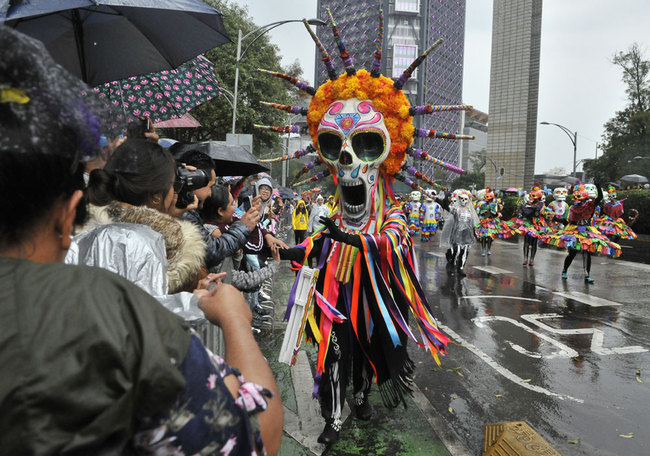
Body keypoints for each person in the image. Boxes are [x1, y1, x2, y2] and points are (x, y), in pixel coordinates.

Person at [0, 26, 282, 455]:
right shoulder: (115, 319)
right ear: (66, 214)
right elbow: (253, 438)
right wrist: (236, 322)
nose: (186, 199)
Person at [539, 184, 621, 282]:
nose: (577, 200)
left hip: (587, 231)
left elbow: (600, 197)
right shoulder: (572, 208)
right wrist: (556, 218)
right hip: (574, 231)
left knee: (587, 253)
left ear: (584, 198)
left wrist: (598, 186)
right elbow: (566, 221)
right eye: (576, 198)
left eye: (579, 198)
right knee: (572, 253)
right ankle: (565, 270)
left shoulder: (590, 206)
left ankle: (587, 275)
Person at [437, 189, 480, 275]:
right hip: (457, 234)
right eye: (462, 199)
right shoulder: (456, 210)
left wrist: (475, 234)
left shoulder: (470, 211)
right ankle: (452, 266)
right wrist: (446, 197)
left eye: (465, 199)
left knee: (464, 253)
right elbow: (446, 207)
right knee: (457, 251)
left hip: (467, 235)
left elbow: (472, 224)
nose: (463, 201)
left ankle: (460, 268)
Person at [510, 184, 550, 266]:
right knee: (526, 242)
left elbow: (539, 209)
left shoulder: (541, 204)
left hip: (537, 225)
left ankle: (531, 260)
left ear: (539, 196)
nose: (531, 197)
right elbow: (525, 212)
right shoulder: (527, 204)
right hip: (528, 224)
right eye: (531, 195)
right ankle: (525, 259)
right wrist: (522, 209)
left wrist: (530, 208)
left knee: (534, 242)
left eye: (534, 195)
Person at [474, 187, 513, 255]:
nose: (488, 200)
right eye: (487, 199)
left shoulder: (495, 205)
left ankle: (488, 249)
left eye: (490, 199)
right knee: (483, 236)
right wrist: (481, 213)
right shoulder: (481, 204)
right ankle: (483, 249)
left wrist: (496, 213)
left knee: (490, 237)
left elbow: (497, 212)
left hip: (491, 222)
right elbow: (477, 212)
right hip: (484, 222)